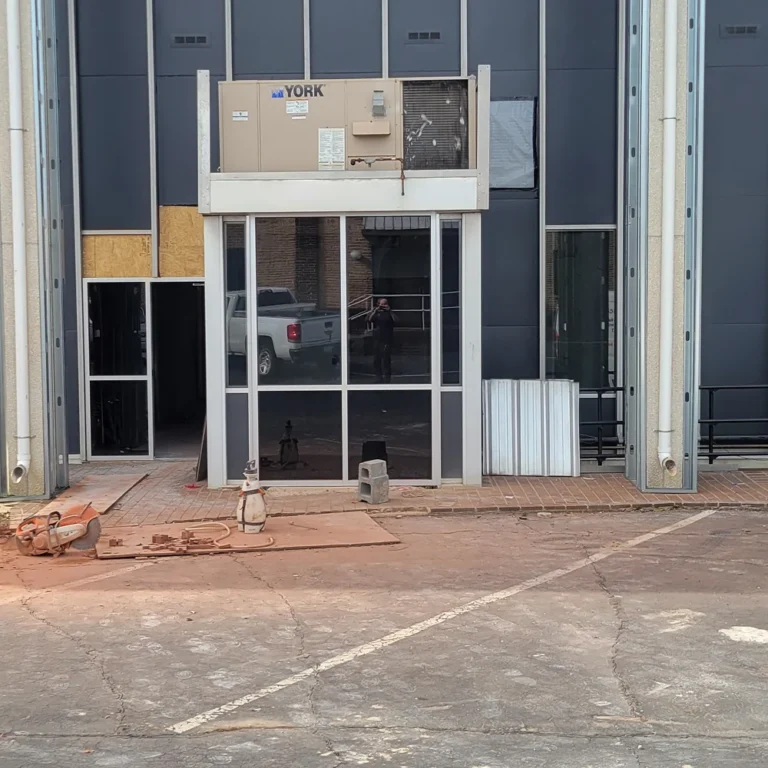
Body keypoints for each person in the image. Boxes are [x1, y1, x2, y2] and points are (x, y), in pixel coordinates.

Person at [367, 298, 398, 383]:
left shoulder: (389, 313)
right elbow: (369, 319)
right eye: (382, 304)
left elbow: (396, 321)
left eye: (385, 304)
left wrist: (390, 311)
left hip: (387, 337)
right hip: (377, 337)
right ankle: (378, 376)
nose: (383, 306)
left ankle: (387, 377)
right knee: (377, 358)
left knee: (386, 358)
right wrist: (376, 310)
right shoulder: (376, 313)